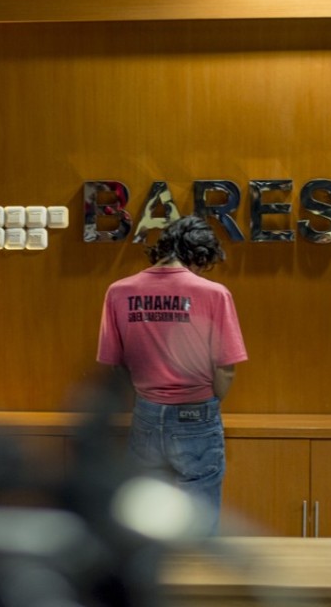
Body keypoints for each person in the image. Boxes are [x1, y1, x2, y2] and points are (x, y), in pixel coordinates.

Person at [96, 214, 247, 532]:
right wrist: (207, 400)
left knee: (143, 510)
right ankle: (198, 580)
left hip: (146, 413)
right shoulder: (215, 294)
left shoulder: (119, 292)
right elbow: (226, 368)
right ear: (199, 255)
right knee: (200, 513)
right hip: (198, 413)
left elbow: (115, 362)